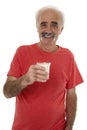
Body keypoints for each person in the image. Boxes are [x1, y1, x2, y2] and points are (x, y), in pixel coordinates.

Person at [3, 6, 83, 130]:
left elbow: (71, 94)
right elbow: (7, 93)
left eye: (54, 25)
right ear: (37, 27)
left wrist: (69, 126)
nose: (48, 30)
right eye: (43, 24)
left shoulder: (68, 56)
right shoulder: (22, 52)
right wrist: (25, 79)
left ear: (61, 29)